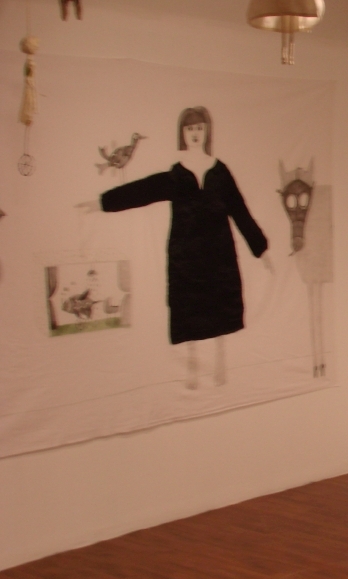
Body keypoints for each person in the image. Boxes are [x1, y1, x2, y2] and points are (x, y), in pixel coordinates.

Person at [78, 107, 272, 388]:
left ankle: (220, 364)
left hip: (219, 255)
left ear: (207, 131)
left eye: (199, 128)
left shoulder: (220, 172)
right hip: (186, 256)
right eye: (190, 128)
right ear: (182, 133)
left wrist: (261, 249)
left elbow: (240, 212)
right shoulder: (177, 175)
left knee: (220, 308)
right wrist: (101, 203)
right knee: (189, 310)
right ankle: (192, 368)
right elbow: (141, 191)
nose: (195, 134)